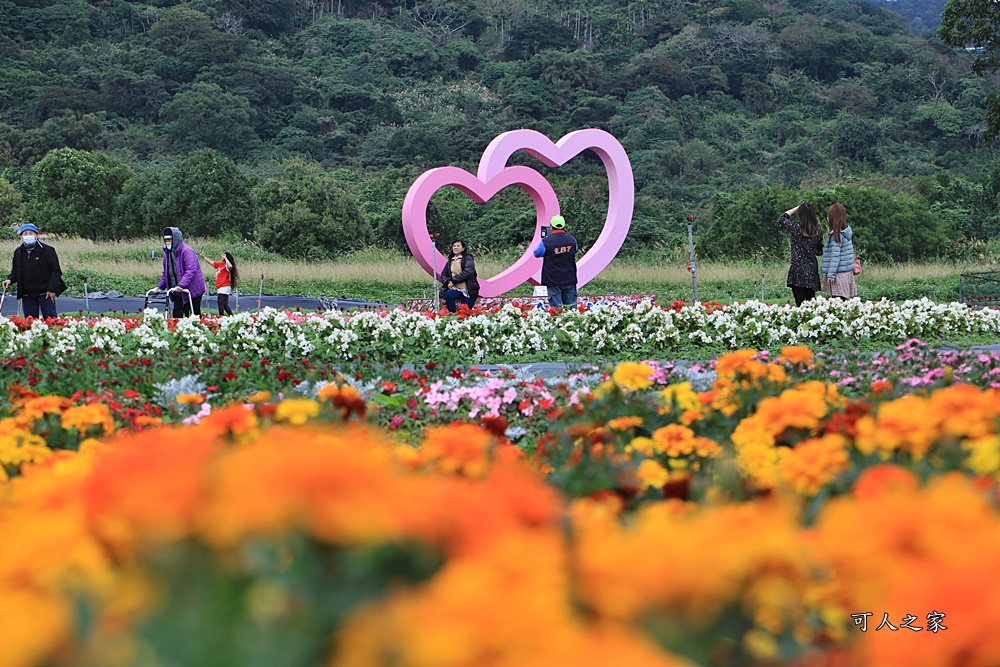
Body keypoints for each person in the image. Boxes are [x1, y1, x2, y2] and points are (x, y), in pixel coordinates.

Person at [2, 223, 64, 319]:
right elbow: (16, 271)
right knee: (30, 324)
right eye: (25, 234)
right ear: (21, 237)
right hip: (27, 294)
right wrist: (10, 280)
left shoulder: (47, 250)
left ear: (37, 235)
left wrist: (51, 289)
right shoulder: (18, 252)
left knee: (52, 322)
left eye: (31, 233)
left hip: (46, 293)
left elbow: (55, 271)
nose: (28, 236)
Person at [777, 202, 823, 306]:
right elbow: (819, 251)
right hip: (811, 270)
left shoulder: (796, 228)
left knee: (799, 303)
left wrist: (795, 208)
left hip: (798, 269)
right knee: (811, 302)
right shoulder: (818, 231)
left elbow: (781, 219)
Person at [156, 227, 206, 317]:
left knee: (194, 314)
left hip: (192, 289)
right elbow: (166, 273)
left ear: (175, 239)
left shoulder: (187, 251)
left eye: (170, 240)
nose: (168, 242)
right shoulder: (167, 254)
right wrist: (160, 286)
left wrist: (181, 285)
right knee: (177, 314)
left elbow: (191, 270)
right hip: (177, 290)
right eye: (166, 240)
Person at [533, 215, 578, 309]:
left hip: (553, 280)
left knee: (556, 311)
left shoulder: (547, 242)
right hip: (569, 279)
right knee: (571, 310)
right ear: (564, 226)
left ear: (551, 227)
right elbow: (575, 249)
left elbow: (536, 253)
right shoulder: (572, 240)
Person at [821, 203, 857, 300]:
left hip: (838, 274)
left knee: (838, 301)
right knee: (845, 301)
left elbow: (835, 256)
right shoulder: (846, 232)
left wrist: (831, 274)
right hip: (847, 272)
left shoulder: (836, 236)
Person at [439, 239, 480, 313]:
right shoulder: (450, 261)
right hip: (456, 290)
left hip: (468, 290)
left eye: (458, 246)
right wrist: (448, 282)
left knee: (465, 312)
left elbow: (468, 272)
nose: (455, 247)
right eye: (454, 246)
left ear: (463, 248)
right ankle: (452, 315)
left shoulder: (468, 258)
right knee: (449, 294)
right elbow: (443, 274)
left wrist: (454, 280)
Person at [201, 250, 238, 316]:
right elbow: (211, 262)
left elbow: (230, 266)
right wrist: (204, 256)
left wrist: (225, 258)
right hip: (220, 286)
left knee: (220, 304)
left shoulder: (226, 266)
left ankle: (221, 317)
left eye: (223, 256)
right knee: (225, 305)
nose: (221, 257)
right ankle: (231, 316)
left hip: (224, 286)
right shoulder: (219, 265)